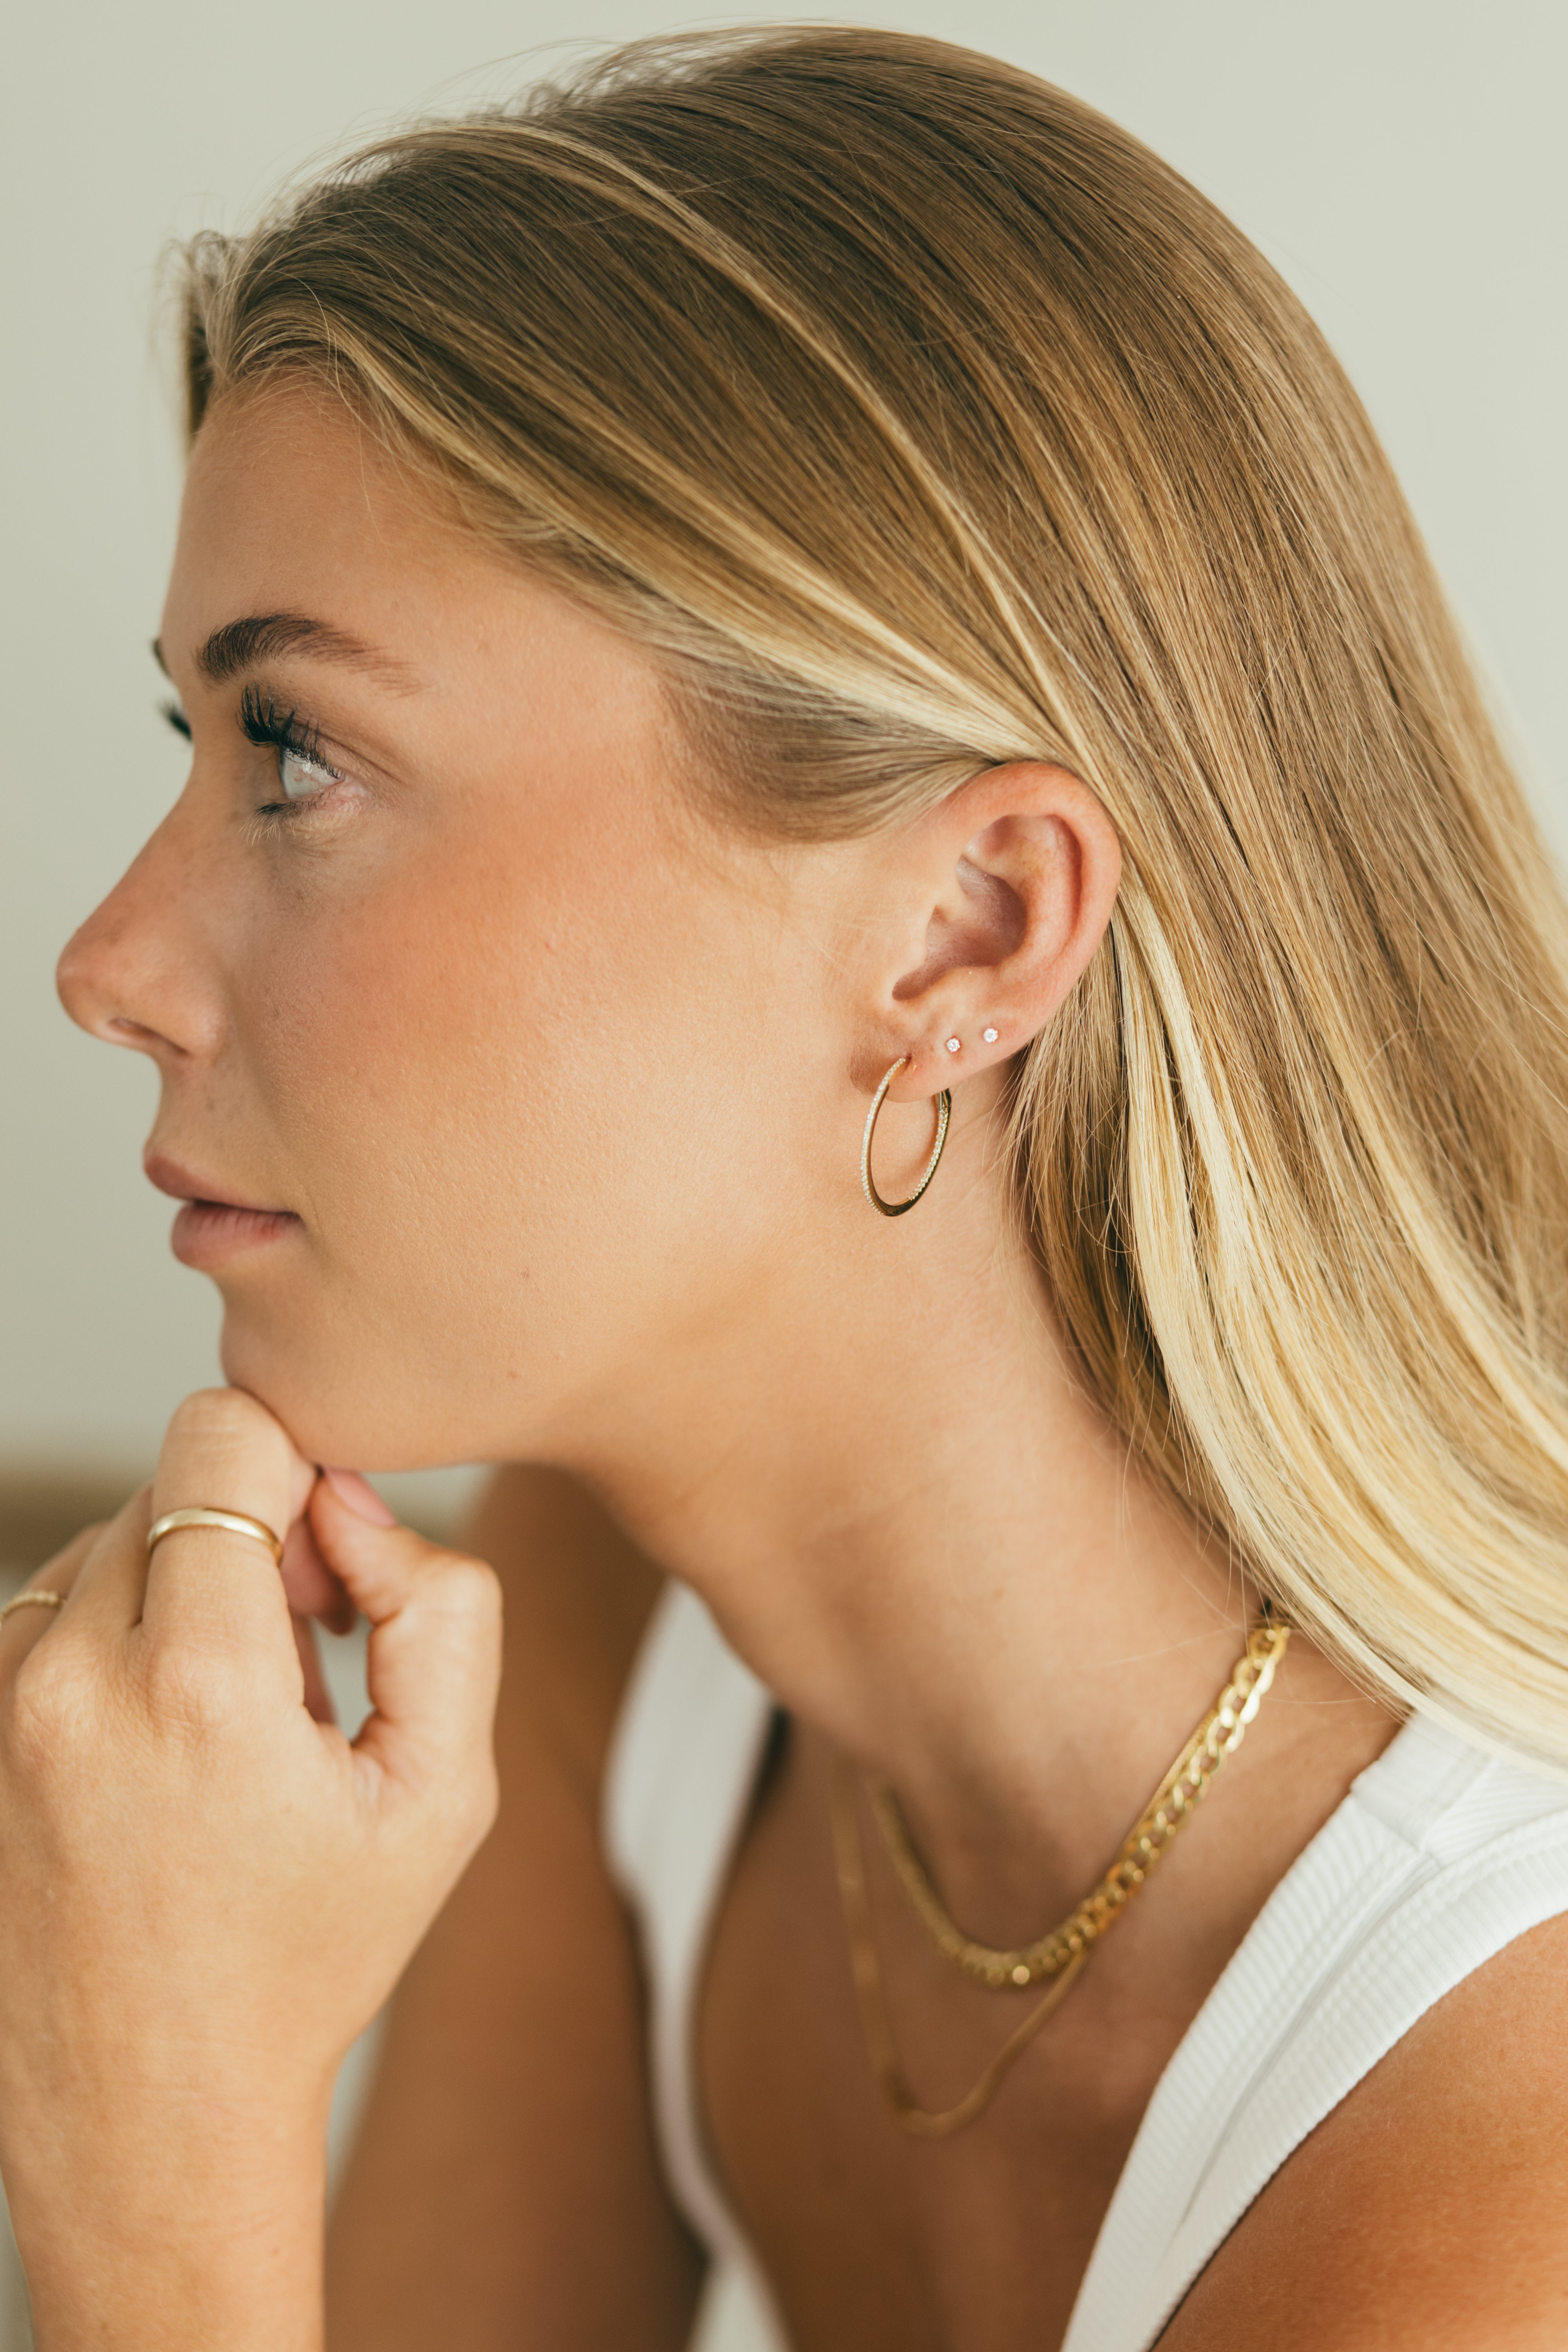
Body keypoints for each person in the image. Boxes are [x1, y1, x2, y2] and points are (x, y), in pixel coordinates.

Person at [4, 24, 1567, 2348]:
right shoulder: (609, 1609)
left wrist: (157, 2163)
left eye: (299, 752)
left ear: (965, 936)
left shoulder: (1496, 2191)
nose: (106, 965)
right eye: (201, 740)